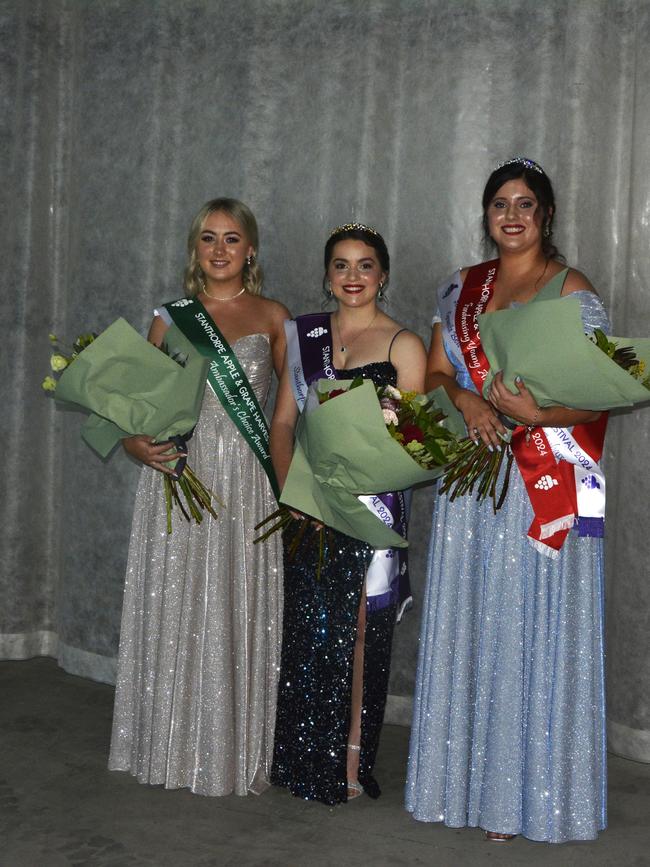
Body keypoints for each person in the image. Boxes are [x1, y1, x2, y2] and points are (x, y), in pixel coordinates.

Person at [405, 158, 609, 843]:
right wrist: (463, 396)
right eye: (500, 204)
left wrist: (543, 413)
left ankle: (521, 793)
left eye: (526, 203)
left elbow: (608, 387)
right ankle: (463, 779)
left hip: (541, 484)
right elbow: (435, 370)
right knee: (477, 621)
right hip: (473, 482)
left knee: (527, 624)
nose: (512, 215)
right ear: (486, 215)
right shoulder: (463, 288)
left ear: (546, 214)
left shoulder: (571, 287)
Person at [108, 198, 290, 796]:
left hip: (247, 477)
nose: (219, 250)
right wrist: (135, 444)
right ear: (195, 249)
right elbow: (137, 410)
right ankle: (170, 744)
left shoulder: (273, 317)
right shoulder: (169, 318)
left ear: (251, 249)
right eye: (208, 239)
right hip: (181, 474)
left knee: (236, 603)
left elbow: (293, 414)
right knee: (180, 600)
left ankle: (235, 752)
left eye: (232, 239)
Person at [270, 223, 426, 804]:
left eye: (365, 265)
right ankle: (299, 755)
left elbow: (414, 445)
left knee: (360, 631)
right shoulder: (306, 336)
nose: (353, 276)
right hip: (310, 503)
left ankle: (351, 758)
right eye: (341, 265)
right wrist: (295, 493)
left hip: (372, 504)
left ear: (383, 275)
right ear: (327, 275)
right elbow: (283, 423)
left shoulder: (402, 346)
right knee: (310, 627)